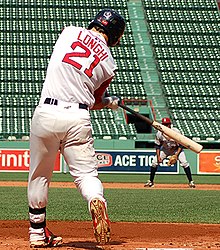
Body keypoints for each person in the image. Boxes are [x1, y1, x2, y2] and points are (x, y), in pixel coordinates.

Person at [27, 9, 126, 248]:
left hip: (47, 112)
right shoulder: (110, 65)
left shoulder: (69, 32)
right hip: (77, 116)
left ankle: (37, 234)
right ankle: (96, 199)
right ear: (114, 35)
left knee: (40, 176)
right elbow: (94, 101)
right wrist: (111, 102)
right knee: (86, 175)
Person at [144, 117, 196, 188]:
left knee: (184, 162)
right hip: (165, 149)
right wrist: (159, 156)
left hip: (176, 149)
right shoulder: (159, 133)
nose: (165, 126)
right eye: (164, 124)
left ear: (170, 124)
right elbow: (157, 146)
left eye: (167, 124)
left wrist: (176, 155)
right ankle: (151, 181)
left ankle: (191, 182)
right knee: (154, 162)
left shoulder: (176, 131)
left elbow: (181, 144)